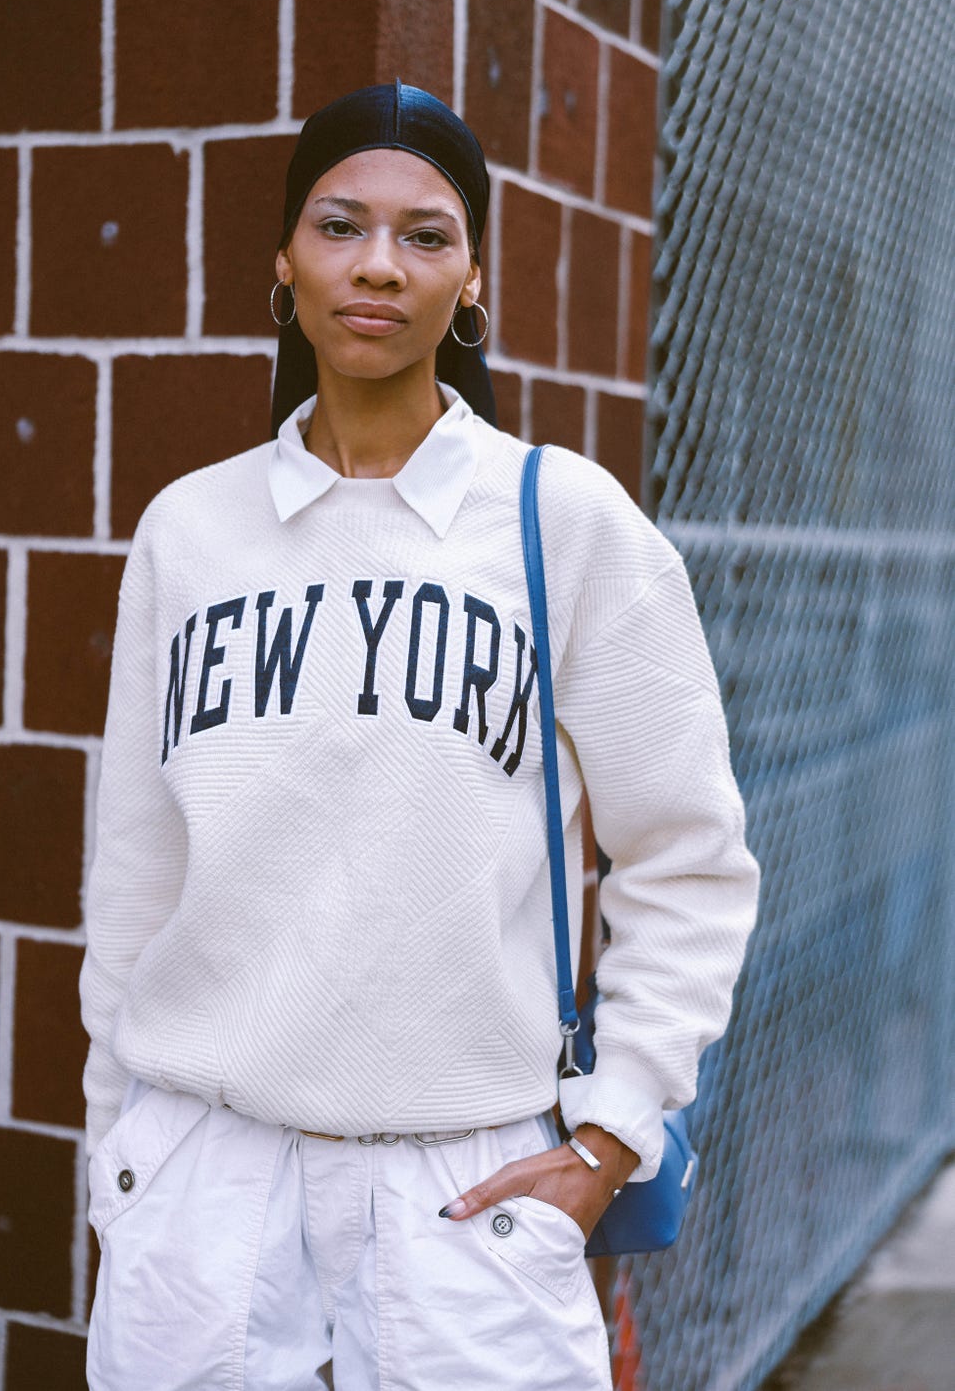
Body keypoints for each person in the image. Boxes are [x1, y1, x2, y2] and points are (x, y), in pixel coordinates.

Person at [80, 81, 759, 1391]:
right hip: (206, 1176)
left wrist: (613, 1131)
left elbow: (688, 859)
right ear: (285, 263)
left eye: (425, 233)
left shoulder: (565, 524)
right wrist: (125, 1155)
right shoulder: (190, 531)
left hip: (469, 1188)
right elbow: (134, 871)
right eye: (340, 224)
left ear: (473, 278)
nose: (379, 263)